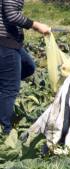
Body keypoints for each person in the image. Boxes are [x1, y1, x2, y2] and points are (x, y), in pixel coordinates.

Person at [0, 0, 50, 134]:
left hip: (11, 42)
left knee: (29, 66)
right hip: (5, 42)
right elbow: (11, 15)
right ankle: (5, 131)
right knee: (9, 89)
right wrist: (36, 25)